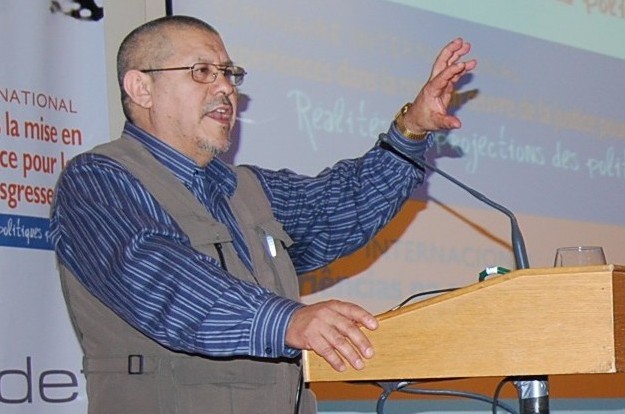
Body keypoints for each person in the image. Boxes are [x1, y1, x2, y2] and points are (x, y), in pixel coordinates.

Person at [50, 14, 476, 414]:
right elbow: (162, 281)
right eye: (202, 72)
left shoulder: (246, 187)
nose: (225, 88)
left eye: (229, 74)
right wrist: (289, 321)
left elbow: (337, 209)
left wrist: (412, 130)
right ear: (141, 88)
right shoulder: (97, 181)